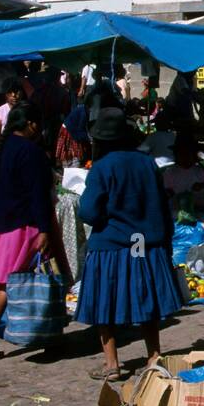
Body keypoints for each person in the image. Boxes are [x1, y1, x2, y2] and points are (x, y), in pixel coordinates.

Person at [76, 108, 181, 381]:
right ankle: (154, 357)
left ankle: (112, 364)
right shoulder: (147, 163)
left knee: (105, 305)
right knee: (147, 303)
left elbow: (88, 211)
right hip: (145, 244)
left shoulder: (102, 167)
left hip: (111, 245)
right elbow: (161, 204)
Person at [0, 102, 69, 362]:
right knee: (41, 280)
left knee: (2, 285)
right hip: (26, 227)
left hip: (0, 226)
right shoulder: (31, 152)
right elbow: (38, 195)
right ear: (31, 124)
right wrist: (45, 230)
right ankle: (45, 333)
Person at [0, 77, 23, 142]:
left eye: (16, 91)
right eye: (10, 92)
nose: (13, 95)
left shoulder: (25, 110)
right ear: (5, 94)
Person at [55, 102, 91, 168]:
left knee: (72, 155)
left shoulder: (83, 109)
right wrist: (88, 140)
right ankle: (70, 170)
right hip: (68, 130)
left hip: (71, 130)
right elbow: (80, 131)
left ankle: (70, 169)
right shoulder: (83, 113)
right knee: (71, 154)